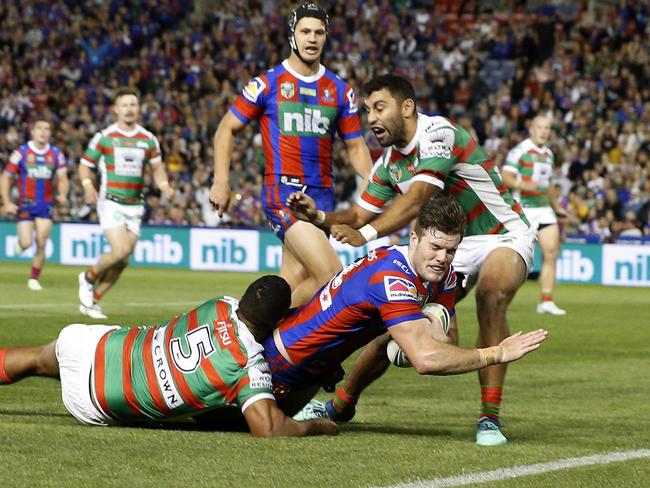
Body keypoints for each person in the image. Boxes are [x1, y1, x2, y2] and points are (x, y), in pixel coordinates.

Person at [288, 74, 535, 446]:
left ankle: (489, 418)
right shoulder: (387, 164)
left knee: (492, 294)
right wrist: (320, 218)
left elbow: (419, 198)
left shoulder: (440, 134)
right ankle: (341, 405)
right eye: (367, 110)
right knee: (391, 319)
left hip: (502, 233)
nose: (371, 118)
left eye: (379, 107)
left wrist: (367, 235)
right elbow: (356, 217)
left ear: (407, 107)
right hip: (450, 244)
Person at [265, 194, 547, 422]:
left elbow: (443, 339)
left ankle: (341, 405)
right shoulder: (392, 278)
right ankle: (338, 405)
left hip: (312, 373)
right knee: (248, 424)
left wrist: (429, 330)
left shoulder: (444, 277)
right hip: (282, 368)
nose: (441, 258)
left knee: (393, 334)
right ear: (414, 239)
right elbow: (426, 360)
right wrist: (496, 352)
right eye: (435, 247)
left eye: (450, 251)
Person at [0, 276, 338, 438]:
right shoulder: (249, 364)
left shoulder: (219, 303)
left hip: (95, 346)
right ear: (278, 321)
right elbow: (268, 430)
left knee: (30, 359)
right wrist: (320, 427)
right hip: (96, 402)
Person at [209, 2, 372, 306]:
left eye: (319, 32)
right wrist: (222, 180)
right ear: (292, 36)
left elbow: (355, 145)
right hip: (283, 193)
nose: (312, 38)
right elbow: (225, 129)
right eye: (305, 31)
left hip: (322, 198)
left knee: (293, 289)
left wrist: (370, 181)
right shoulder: (267, 84)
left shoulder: (339, 90)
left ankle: (264, 343)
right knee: (333, 277)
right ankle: (250, 331)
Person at [77, 87, 174, 320]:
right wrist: (88, 186)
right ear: (116, 110)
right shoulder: (105, 137)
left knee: (124, 260)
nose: (129, 109)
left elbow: (158, 169)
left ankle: (93, 302)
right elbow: (84, 165)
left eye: (133, 104)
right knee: (120, 250)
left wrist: (164, 186)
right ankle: (87, 277)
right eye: (125, 105)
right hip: (111, 201)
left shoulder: (148, 139)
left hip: (135, 205)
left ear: (138, 109)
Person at [503, 115, 567, 315]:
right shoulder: (520, 151)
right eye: (539, 127)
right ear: (531, 129)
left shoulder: (548, 154)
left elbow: (547, 184)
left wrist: (556, 206)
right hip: (524, 210)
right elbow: (505, 176)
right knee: (517, 259)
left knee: (551, 253)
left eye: (547, 128)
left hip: (544, 210)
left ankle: (546, 300)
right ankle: (501, 296)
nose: (543, 131)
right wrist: (523, 185)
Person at [0, 118, 69, 290]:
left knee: (42, 241)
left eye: (47, 129)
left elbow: (62, 177)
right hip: (25, 205)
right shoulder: (21, 152)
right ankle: (21, 245)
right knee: (27, 242)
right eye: (39, 128)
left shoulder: (55, 154)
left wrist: (63, 194)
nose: (43, 132)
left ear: (50, 133)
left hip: (45, 205)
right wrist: (7, 202)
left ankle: (34, 278)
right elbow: (6, 176)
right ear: (32, 131)